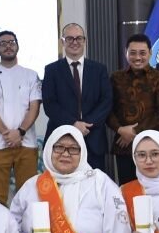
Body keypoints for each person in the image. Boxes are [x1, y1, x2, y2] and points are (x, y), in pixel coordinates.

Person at [0, 30, 42, 203]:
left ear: (17, 46)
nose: (8, 46)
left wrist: (20, 132)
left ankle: (26, 230)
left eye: (11, 42)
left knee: (28, 196)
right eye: (3, 43)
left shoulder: (31, 75)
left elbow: (34, 107)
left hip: (26, 143)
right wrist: (8, 134)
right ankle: (1, 231)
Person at [42, 24, 113, 174]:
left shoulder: (99, 69)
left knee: (94, 187)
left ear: (84, 41)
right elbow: (50, 104)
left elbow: (106, 100)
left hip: (93, 138)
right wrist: (73, 124)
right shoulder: (51, 70)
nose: (75, 42)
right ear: (62, 42)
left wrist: (85, 125)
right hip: (61, 141)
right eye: (69, 38)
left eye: (79, 38)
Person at [110, 34, 159, 184]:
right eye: (133, 53)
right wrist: (120, 130)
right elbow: (108, 109)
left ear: (150, 53)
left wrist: (134, 133)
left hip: (153, 147)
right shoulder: (115, 77)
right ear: (126, 53)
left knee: (153, 188)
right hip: (124, 145)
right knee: (128, 190)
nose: (137, 57)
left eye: (142, 53)